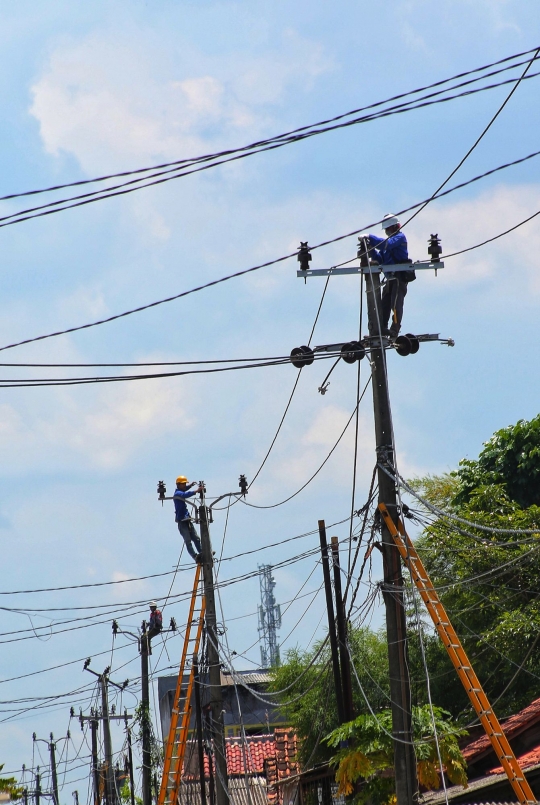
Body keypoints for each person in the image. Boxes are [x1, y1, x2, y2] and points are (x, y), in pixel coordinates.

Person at [365, 213, 415, 338]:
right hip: (390, 279)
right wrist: (370, 249)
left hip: (399, 278)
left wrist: (370, 237)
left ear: (394, 227)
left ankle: (394, 330)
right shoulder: (387, 244)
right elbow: (380, 258)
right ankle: (381, 329)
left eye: (387, 229)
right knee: (384, 306)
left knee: (395, 304)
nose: (386, 232)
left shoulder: (399, 238)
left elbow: (385, 244)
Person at [173, 475, 203, 562]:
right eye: (183, 484)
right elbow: (185, 494)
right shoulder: (177, 494)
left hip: (187, 520)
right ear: (178, 484)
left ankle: (203, 552)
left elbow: (184, 490)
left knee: (196, 538)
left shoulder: (180, 490)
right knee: (188, 541)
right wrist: (196, 491)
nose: (184, 485)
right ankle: (195, 556)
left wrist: (190, 486)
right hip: (181, 522)